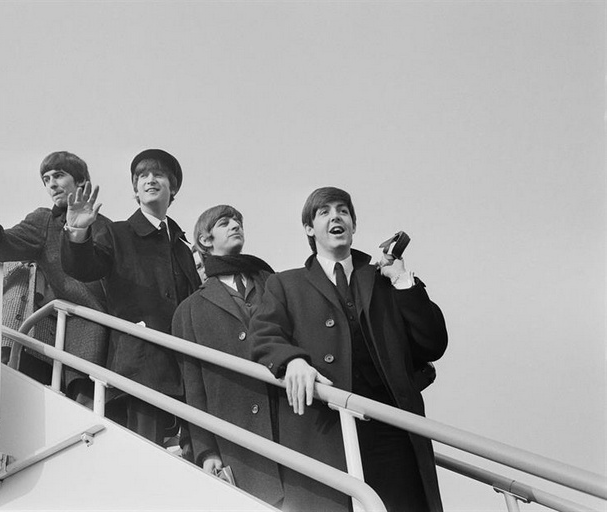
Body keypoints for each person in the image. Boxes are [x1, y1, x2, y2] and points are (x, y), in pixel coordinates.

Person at [250, 187, 448, 512]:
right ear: (309, 229)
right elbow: (263, 334)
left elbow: (432, 343)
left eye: (342, 211)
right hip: (325, 431)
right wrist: (292, 361)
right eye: (324, 212)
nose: (335, 216)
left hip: (392, 430)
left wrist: (402, 281)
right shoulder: (285, 284)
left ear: (354, 225)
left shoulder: (384, 278)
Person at [0, 151, 111, 403]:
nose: (51, 183)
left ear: (81, 182)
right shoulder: (44, 222)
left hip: (122, 335)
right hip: (81, 337)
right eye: (46, 179)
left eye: (59, 175)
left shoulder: (111, 227)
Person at [61, 149, 201, 446]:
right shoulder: (118, 233)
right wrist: (77, 232)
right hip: (136, 366)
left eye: (159, 174)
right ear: (135, 190)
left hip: (180, 369)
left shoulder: (181, 248)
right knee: (141, 453)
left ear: (172, 188)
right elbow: (84, 268)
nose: (150, 180)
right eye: (142, 176)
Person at [172, 205, 283, 506]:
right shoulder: (189, 311)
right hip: (236, 439)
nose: (236, 225)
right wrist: (206, 450)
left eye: (238, 221)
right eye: (225, 222)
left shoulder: (275, 285)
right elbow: (193, 389)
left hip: (289, 424)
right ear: (205, 240)